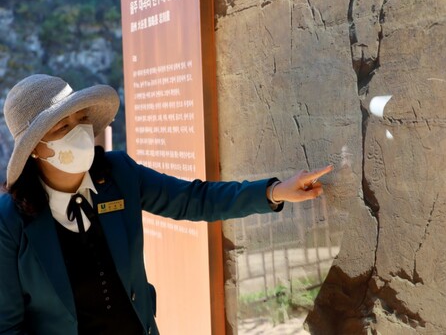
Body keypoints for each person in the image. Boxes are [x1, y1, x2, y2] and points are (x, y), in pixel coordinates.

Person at [0, 74, 332, 335]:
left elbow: (194, 199)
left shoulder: (119, 175)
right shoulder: (10, 222)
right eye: (62, 126)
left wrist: (273, 191)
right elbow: (8, 326)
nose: (79, 132)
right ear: (34, 149)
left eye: (80, 119)